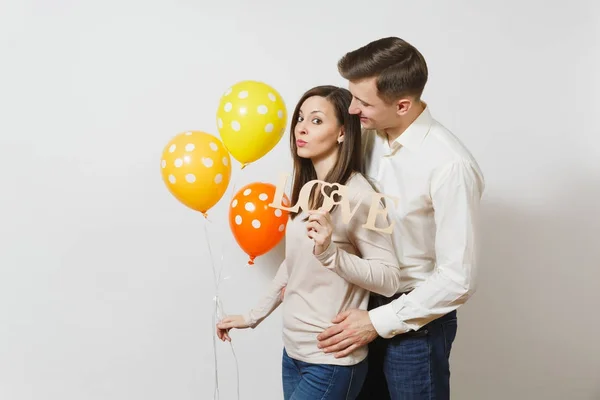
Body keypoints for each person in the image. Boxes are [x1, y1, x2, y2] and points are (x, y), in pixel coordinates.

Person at [315, 37, 486, 399]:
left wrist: (377, 322)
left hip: (415, 323)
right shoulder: (364, 138)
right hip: (355, 301)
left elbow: (459, 278)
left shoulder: (450, 165)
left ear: (403, 105)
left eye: (362, 102)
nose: (352, 109)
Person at [216, 85, 403, 400]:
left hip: (331, 362)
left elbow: (389, 278)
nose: (301, 127)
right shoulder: (309, 192)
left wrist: (331, 253)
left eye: (316, 120)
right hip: (294, 354)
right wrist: (253, 316)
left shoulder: (359, 195)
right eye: (300, 118)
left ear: (342, 132)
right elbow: (294, 263)